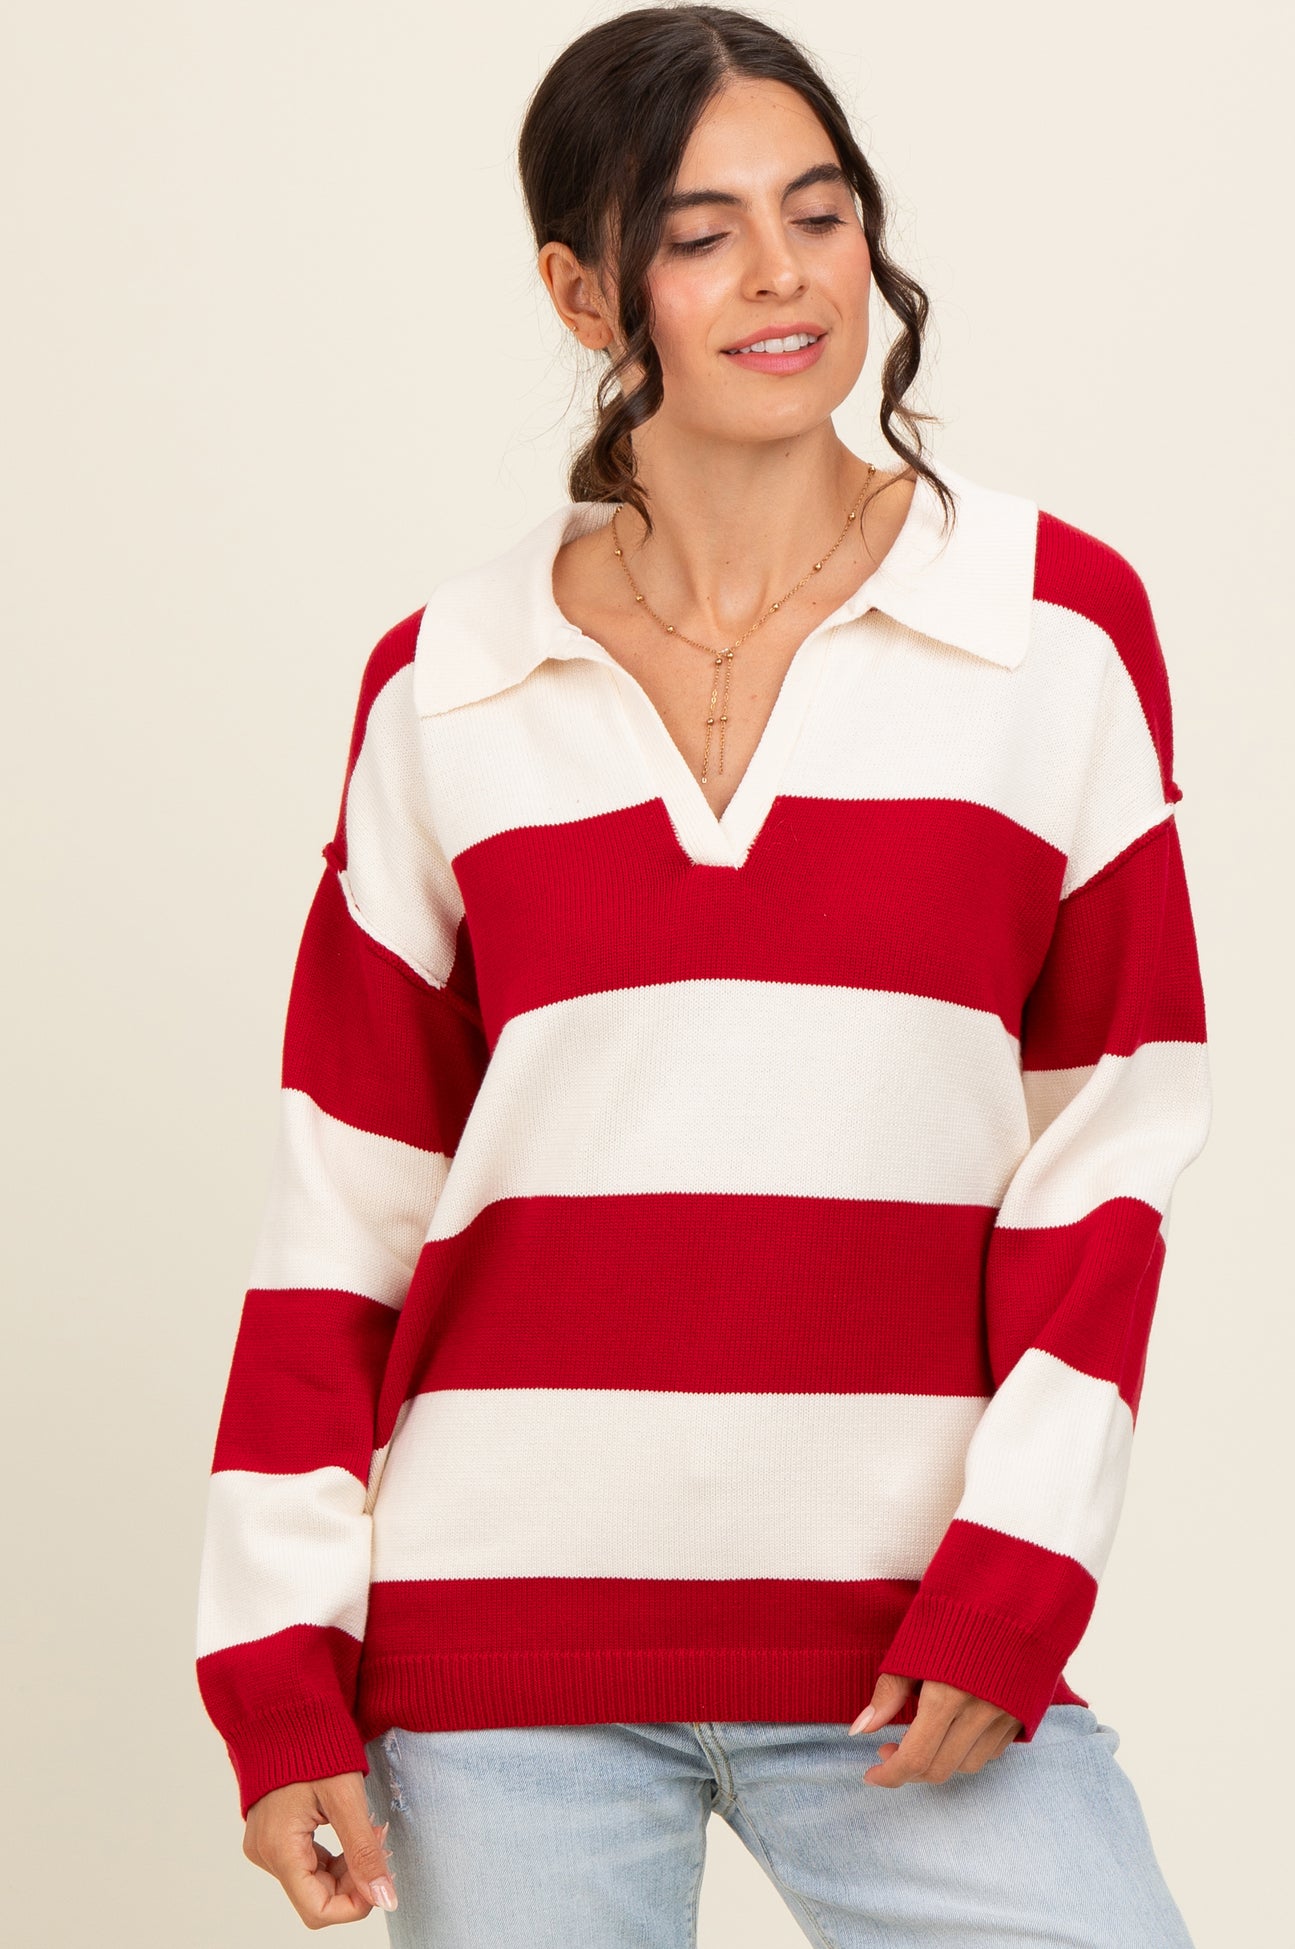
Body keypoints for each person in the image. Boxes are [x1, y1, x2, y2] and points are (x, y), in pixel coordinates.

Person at [195, 6, 1212, 1942]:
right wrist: (275, 1666)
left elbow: (1111, 1145)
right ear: (585, 293)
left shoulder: (1053, 632)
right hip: (500, 1659)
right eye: (699, 233)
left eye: (818, 214)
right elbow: (341, 1207)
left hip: (908, 1641)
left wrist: (1021, 1570)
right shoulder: (447, 682)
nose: (782, 275)